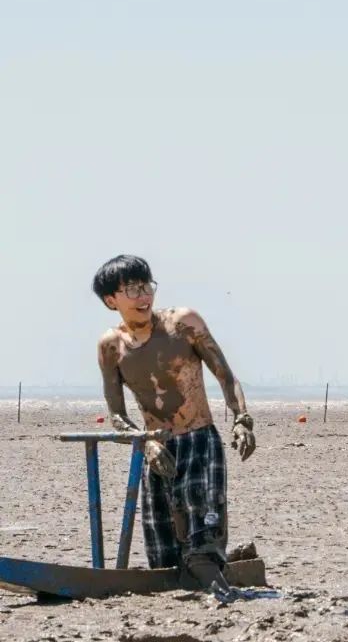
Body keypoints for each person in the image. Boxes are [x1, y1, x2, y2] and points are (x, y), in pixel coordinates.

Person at [92, 255, 256, 598]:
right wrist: (146, 444)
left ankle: (221, 587)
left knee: (202, 536)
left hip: (199, 438)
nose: (143, 296)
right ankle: (219, 572)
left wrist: (242, 419)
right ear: (112, 300)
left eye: (147, 285)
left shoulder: (183, 323)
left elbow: (226, 376)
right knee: (164, 552)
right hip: (158, 447)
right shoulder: (111, 346)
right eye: (132, 289)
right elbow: (117, 416)